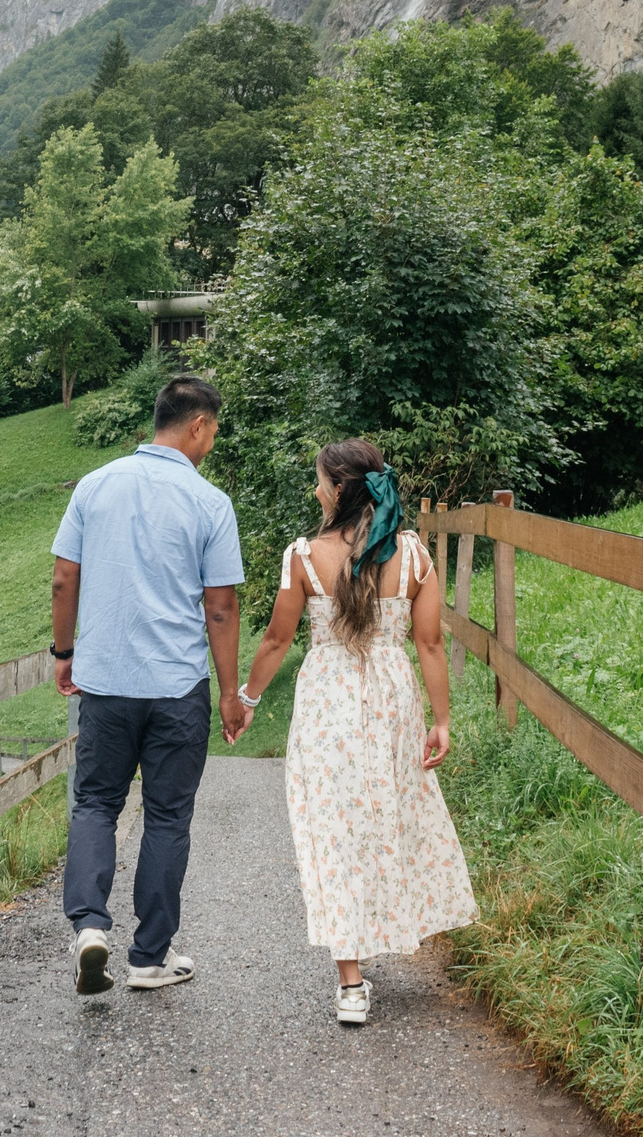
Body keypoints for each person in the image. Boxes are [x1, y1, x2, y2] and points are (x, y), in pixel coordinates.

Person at [238, 438, 477, 1026]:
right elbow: (429, 643)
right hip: (394, 701)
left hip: (328, 705)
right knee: (390, 812)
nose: (316, 490)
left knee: (333, 828)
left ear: (339, 490)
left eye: (321, 482)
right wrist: (441, 720)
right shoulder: (413, 554)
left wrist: (246, 698)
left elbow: (276, 640)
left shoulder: (304, 556)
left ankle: (351, 984)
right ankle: (394, 925)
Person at [51, 375, 251, 995]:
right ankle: (148, 956)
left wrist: (65, 653)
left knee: (95, 803)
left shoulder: (94, 485)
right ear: (197, 425)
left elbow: (63, 578)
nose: (212, 443)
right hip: (176, 686)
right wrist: (229, 692)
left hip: (105, 682)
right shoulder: (210, 502)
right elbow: (221, 608)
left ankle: (89, 926)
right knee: (167, 817)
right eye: (213, 432)